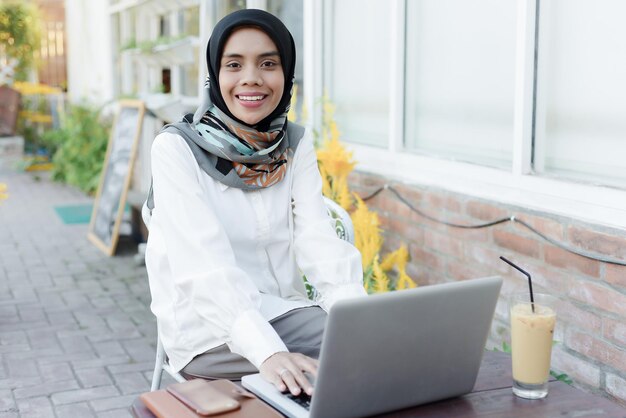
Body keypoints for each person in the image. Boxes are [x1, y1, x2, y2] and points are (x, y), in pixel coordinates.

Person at [145, 9, 366, 397]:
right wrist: (267, 352)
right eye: (234, 64)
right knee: (355, 365)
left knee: (369, 345)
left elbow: (319, 240)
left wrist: (357, 320)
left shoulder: (293, 143)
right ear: (215, 75)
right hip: (209, 332)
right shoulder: (176, 148)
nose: (251, 77)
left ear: (287, 74)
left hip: (285, 312)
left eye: (268, 63)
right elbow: (204, 270)